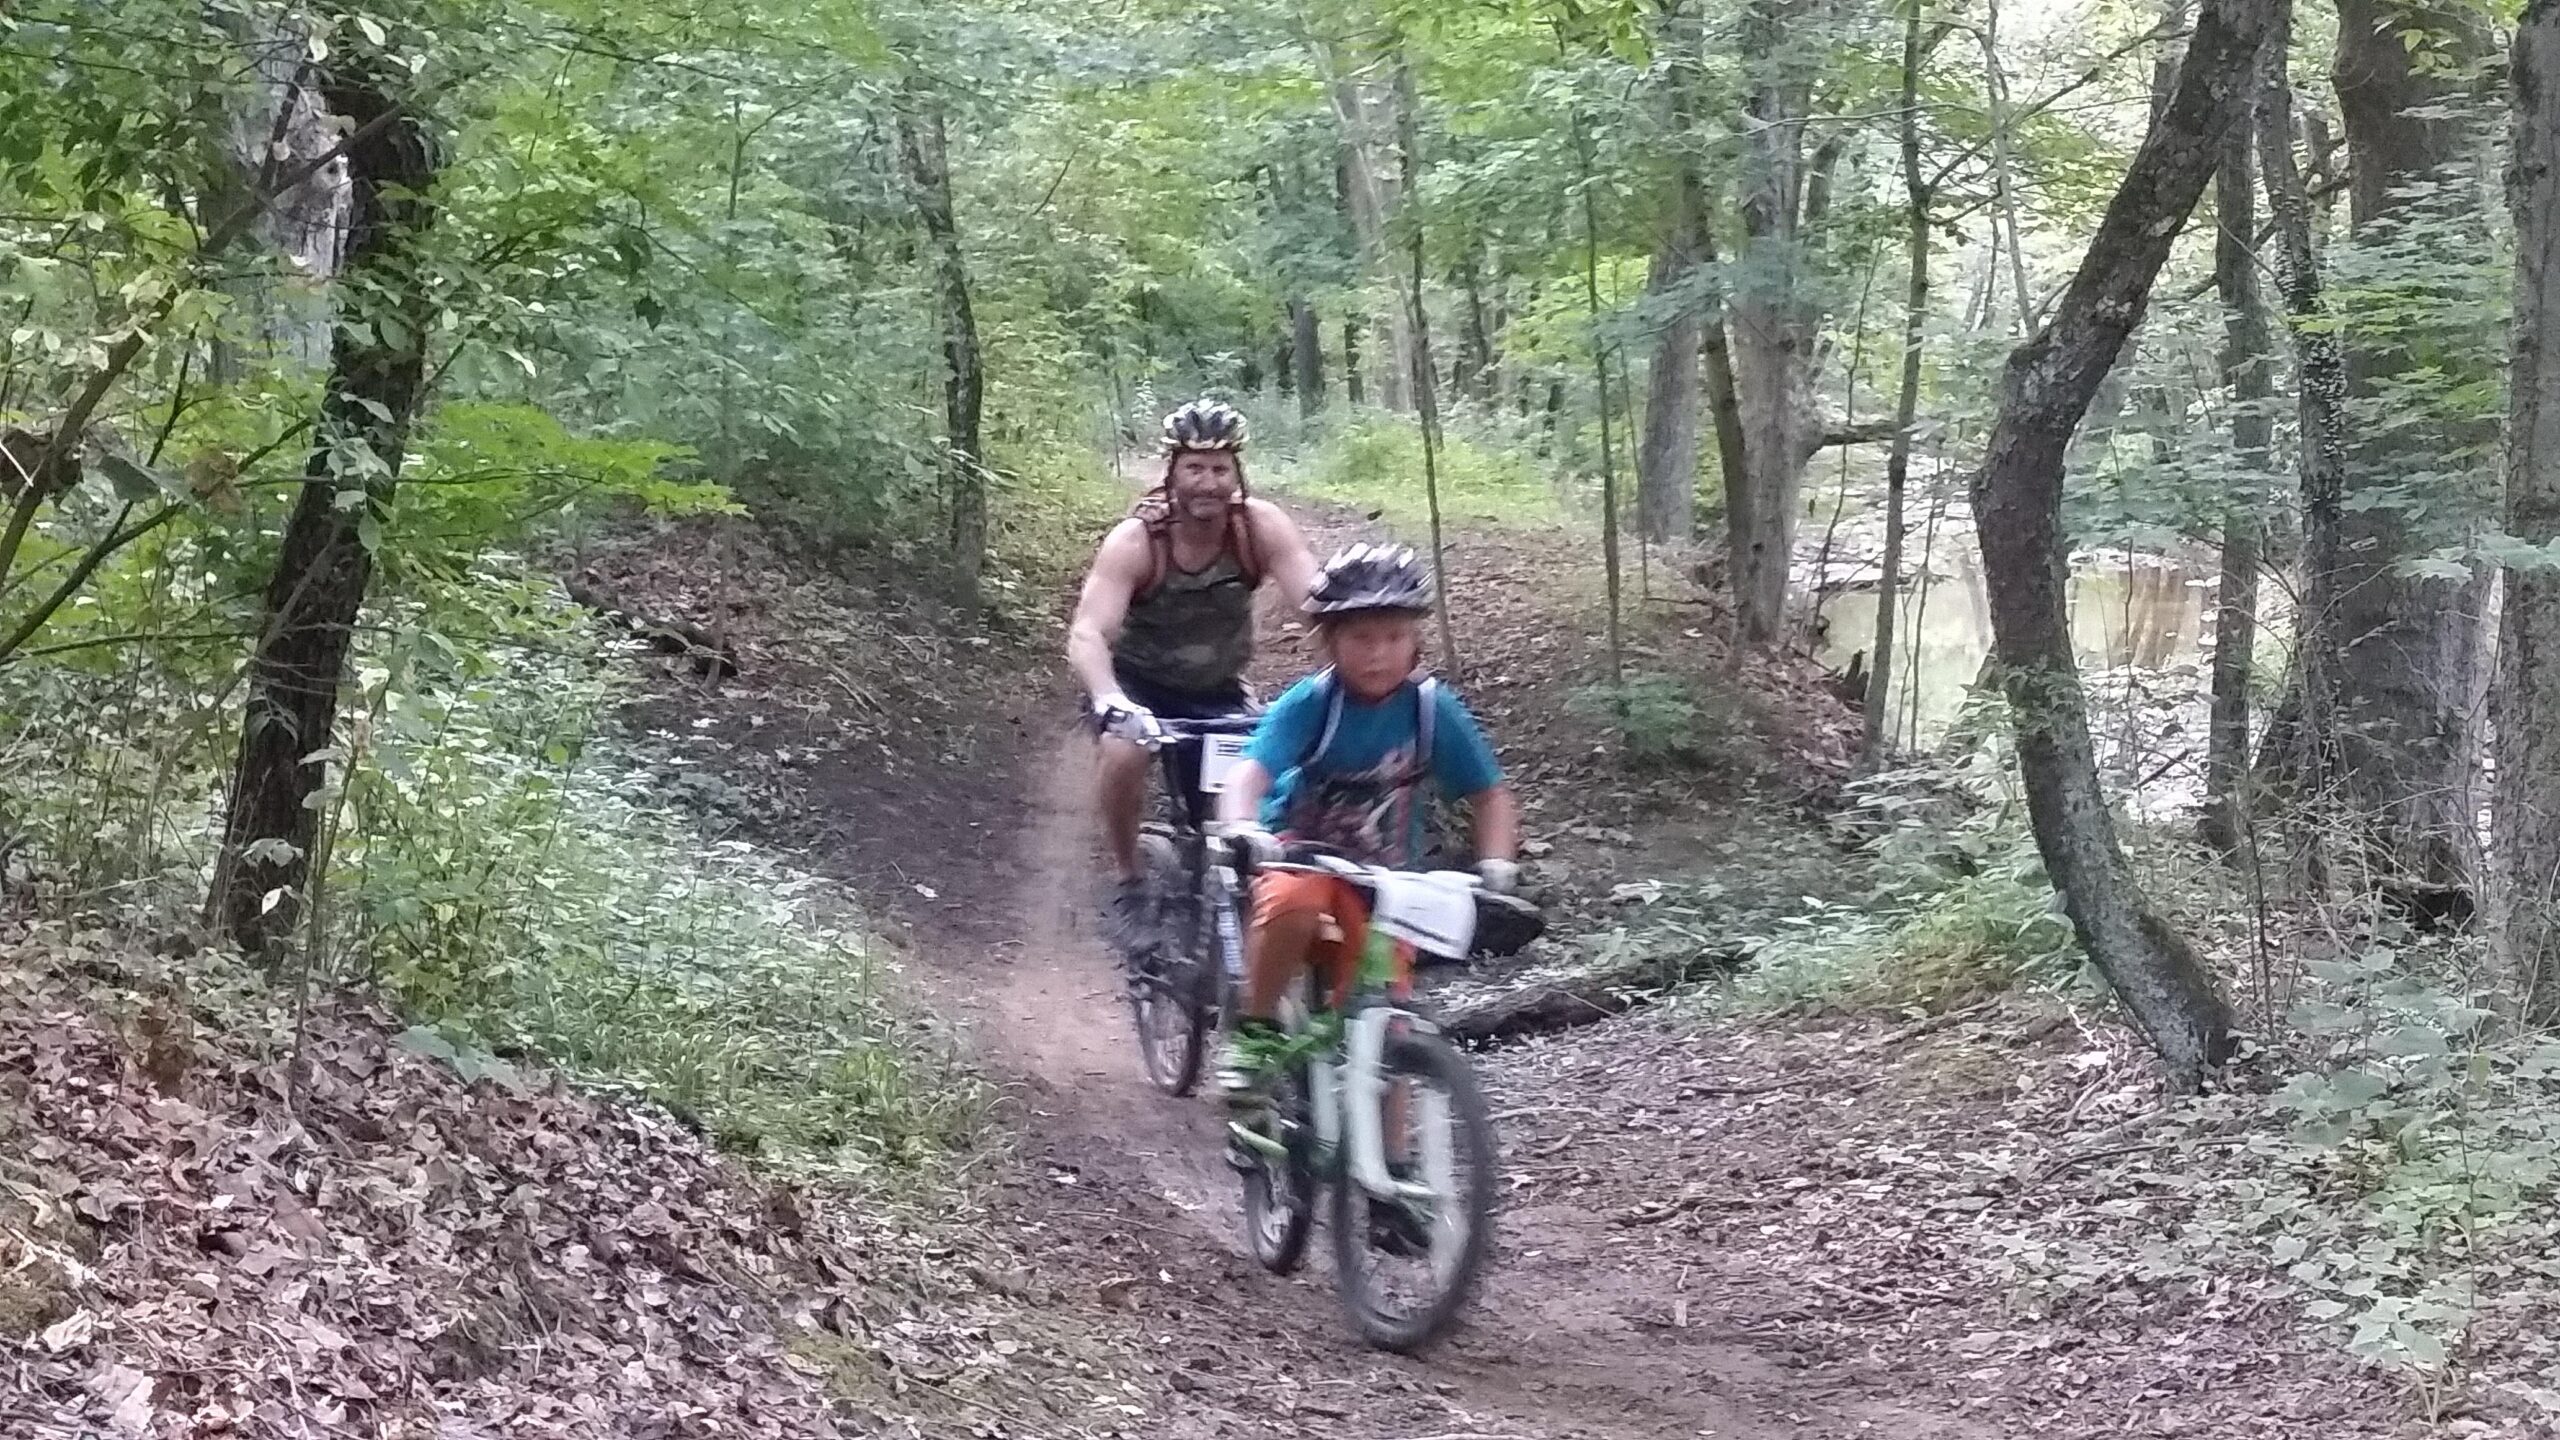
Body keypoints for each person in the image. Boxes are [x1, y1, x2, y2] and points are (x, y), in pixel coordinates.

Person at [1210, 542, 1520, 1103]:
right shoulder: (1313, 703)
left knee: (1388, 1027)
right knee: (1292, 903)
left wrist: (1496, 864)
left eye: (1394, 637)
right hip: (1300, 853)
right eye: (1360, 638)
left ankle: (1390, 1154)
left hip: (1386, 877)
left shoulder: (1430, 709)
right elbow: (1250, 773)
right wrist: (1241, 826)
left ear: (1415, 640)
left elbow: (1489, 794)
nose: (1378, 654)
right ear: (1330, 642)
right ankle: (1255, 1033)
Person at [1066, 399, 1319, 953]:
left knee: (1236, 810)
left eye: (1220, 468)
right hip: (1137, 686)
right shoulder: (1138, 541)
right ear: (1172, 472)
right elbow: (1087, 633)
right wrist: (1110, 698)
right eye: (1195, 468)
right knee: (1125, 751)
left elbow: (1318, 608)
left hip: (1216, 689)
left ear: (1237, 472)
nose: (1208, 482)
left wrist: (1346, 668)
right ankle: (1129, 880)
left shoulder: (1257, 529)